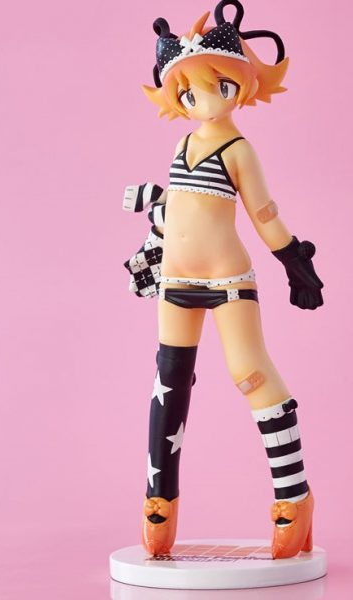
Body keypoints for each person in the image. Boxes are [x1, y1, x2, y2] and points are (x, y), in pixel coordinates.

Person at [127, 0, 324, 560]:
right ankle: (159, 499)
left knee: (250, 374)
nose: (202, 99)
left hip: (228, 280)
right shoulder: (181, 145)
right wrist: (153, 217)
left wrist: (294, 262)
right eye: (188, 92)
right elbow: (181, 209)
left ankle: (294, 496)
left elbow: (264, 214)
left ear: (241, 85)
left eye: (217, 86)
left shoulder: (238, 149)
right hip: (174, 281)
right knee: (169, 382)